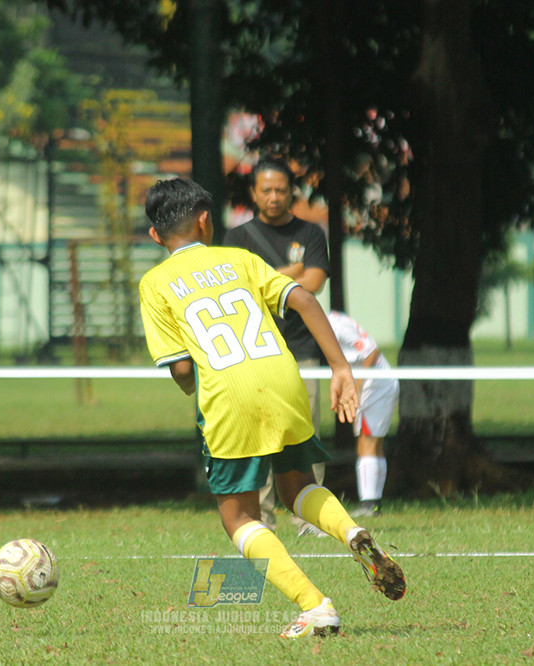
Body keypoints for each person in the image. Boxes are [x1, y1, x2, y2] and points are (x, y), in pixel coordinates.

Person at [139, 178, 405, 638]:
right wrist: (341, 367)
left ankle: (315, 605)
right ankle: (350, 532)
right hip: (284, 378)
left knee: (238, 515)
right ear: (205, 221)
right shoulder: (238, 258)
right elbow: (302, 298)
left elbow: (182, 369)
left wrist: (192, 389)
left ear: (155, 236)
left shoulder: (155, 283)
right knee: (297, 486)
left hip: (229, 395)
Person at [223, 157, 331, 536]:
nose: (273, 197)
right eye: (265, 190)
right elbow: (237, 291)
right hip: (253, 354)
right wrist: (290, 274)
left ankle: (311, 519)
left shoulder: (312, 233)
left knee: (306, 434)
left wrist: (265, 280)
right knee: (257, 435)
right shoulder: (236, 239)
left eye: (280, 190)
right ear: (253, 194)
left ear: (292, 193)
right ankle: (261, 518)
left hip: (302, 350)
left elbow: (313, 282)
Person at [327, 311, 399, 518]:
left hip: (375, 385)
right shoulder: (336, 320)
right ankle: (374, 503)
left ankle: (369, 504)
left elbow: (371, 351)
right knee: (373, 444)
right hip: (378, 383)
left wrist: (358, 385)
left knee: (366, 443)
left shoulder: (337, 325)